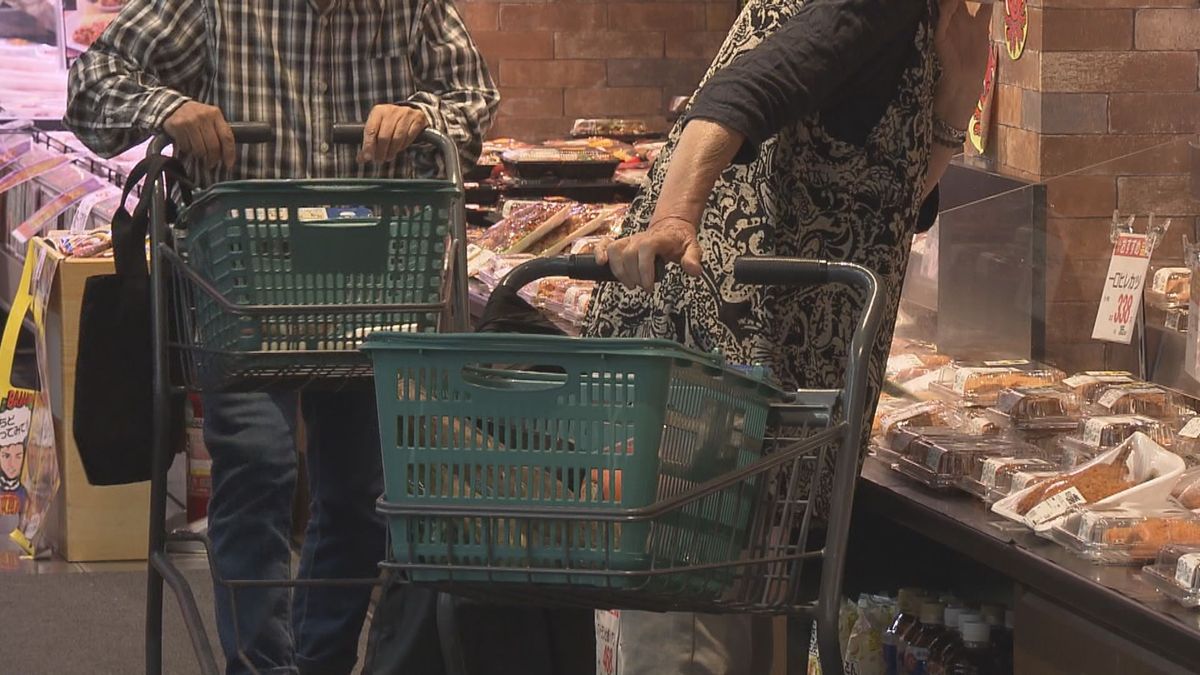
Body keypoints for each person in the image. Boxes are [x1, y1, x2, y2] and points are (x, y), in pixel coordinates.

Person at [64, 1, 498, 674]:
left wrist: (423, 114)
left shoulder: (411, 7)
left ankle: (318, 661)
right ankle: (262, 666)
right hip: (240, 291)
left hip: (367, 291)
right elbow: (91, 85)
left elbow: (472, 96)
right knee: (261, 464)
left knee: (360, 495)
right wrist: (167, 107)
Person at [587, 0, 993, 671]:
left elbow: (890, 197)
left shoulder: (917, 24)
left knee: (709, 617)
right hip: (711, 389)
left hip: (739, 387)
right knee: (686, 640)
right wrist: (674, 216)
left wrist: (957, 92)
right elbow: (745, 91)